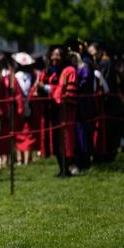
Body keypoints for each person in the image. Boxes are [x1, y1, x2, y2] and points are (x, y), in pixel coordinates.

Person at [36, 46, 78, 176]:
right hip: (50, 111)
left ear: (64, 57)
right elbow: (37, 90)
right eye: (53, 55)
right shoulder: (46, 71)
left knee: (64, 141)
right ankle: (62, 169)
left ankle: (67, 169)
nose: (55, 58)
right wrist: (39, 89)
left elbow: (67, 93)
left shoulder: (69, 71)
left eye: (58, 55)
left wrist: (47, 88)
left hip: (64, 111)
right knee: (54, 141)